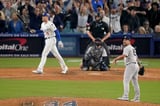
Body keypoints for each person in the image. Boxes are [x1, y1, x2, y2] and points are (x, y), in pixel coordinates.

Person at [112, 35, 140, 102]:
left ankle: (125, 96)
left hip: (131, 65)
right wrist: (139, 65)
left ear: (129, 41)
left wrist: (116, 59)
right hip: (135, 65)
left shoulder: (127, 48)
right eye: (124, 39)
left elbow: (124, 55)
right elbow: (137, 58)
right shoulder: (132, 48)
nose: (124, 41)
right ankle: (137, 98)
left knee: (126, 81)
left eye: (126, 40)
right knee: (135, 82)